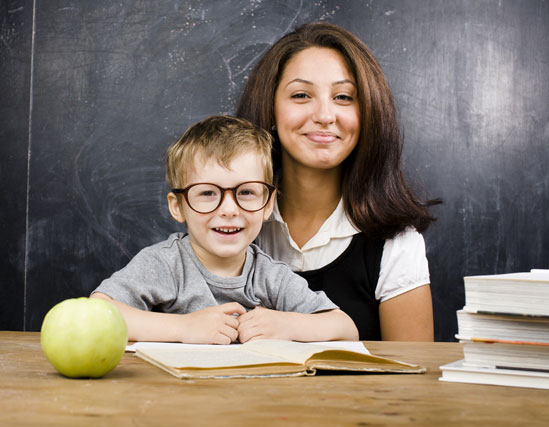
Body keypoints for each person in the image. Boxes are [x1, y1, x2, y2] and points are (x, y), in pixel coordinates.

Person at [236, 22, 440, 341]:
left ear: (368, 112)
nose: (325, 114)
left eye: (343, 96)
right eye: (301, 95)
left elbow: (410, 379)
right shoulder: (227, 222)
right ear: (270, 108)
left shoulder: (396, 244)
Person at [91, 115, 358, 344]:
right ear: (178, 207)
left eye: (246, 192)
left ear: (268, 204)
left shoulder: (270, 277)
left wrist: (287, 325)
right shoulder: (165, 264)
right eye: (207, 193)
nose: (229, 209)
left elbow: (346, 329)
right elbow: (98, 313)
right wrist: (184, 328)